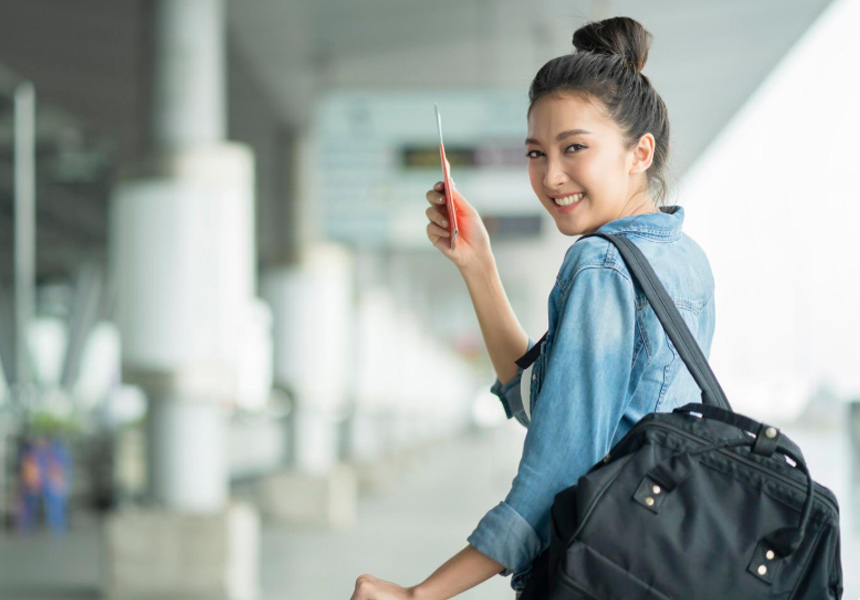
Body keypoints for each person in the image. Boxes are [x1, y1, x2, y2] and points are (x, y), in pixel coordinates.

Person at [350, 16, 716, 599]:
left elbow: (556, 474)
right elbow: (551, 408)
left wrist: (421, 594)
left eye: (574, 148)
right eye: (535, 153)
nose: (550, 176)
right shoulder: (685, 259)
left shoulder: (599, 264)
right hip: (662, 566)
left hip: (599, 572)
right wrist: (478, 263)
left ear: (639, 153)